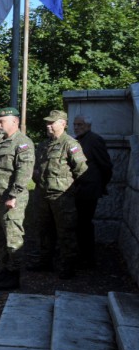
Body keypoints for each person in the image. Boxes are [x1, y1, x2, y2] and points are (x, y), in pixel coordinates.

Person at [28, 110, 88, 279]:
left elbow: (81, 169)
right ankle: (45, 261)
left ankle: (67, 266)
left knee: (65, 231)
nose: (48, 126)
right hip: (43, 193)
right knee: (44, 229)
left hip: (61, 195)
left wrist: (68, 187)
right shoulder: (44, 144)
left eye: (52, 123)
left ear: (63, 123)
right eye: (47, 123)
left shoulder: (70, 144)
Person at [0, 108, 35, 290]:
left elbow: (24, 172)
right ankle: (5, 271)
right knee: (0, 239)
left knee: (13, 240)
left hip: (12, 201)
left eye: (2, 121)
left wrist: (13, 195)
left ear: (15, 121)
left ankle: (14, 276)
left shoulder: (22, 143)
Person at [72, 114, 113, 266]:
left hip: (89, 189)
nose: (76, 127)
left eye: (80, 125)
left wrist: (99, 184)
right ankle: (80, 255)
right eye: (75, 124)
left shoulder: (94, 140)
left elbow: (106, 166)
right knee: (78, 224)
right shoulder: (78, 140)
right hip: (79, 189)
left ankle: (87, 258)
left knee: (84, 224)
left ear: (88, 125)